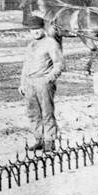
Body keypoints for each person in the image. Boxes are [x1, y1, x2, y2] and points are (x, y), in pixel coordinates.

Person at [20, 17, 65, 152]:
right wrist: (22, 84)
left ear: (43, 28)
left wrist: (49, 79)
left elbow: (59, 64)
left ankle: (49, 141)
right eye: (32, 29)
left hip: (43, 82)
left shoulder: (51, 43)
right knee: (33, 113)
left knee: (47, 112)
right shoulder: (31, 45)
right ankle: (39, 139)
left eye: (38, 28)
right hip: (29, 83)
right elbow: (25, 66)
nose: (35, 32)